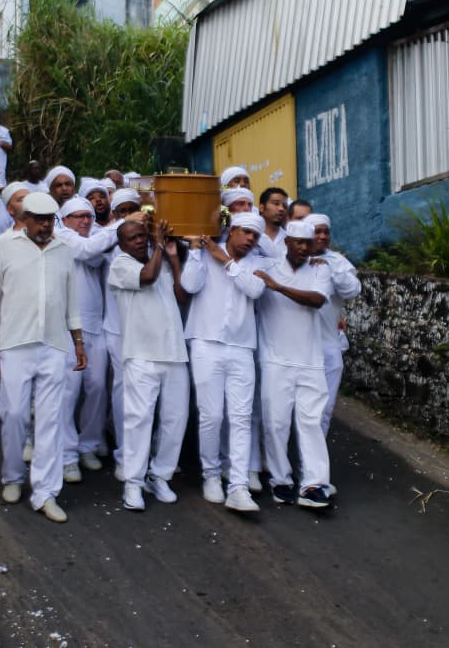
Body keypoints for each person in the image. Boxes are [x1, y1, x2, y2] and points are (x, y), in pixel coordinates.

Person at [0, 192, 86, 523]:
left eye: (50, 220)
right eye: (39, 220)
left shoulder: (64, 251)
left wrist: (78, 343)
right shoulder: (3, 246)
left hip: (53, 345)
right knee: (14, 414)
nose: (45, 226)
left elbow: (72, 302)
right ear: (25, 219)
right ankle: (12, 477)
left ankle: (45, 492)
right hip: (14, 343)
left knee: (51, 419)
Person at [181, 212, 267, 512]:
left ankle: (239, 486)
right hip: (205, 343)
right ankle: (211, 475)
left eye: (255, 235)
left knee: (241, 418)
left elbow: (255, 289)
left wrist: (226, 262)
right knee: (211, 416)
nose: (250, 239)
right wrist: (195, 251)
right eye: (245, 232)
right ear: (230, 230)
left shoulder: (257, 262)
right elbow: (190, 286)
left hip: (242, 348)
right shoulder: (204, 253)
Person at [253, 220, 335, 507]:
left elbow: (317, 300)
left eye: (307, 243)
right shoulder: (268, 268)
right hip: (275, 360)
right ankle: (281, 480)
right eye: (297, 242)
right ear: (286, 243)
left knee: (311, 423)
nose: (303, 247)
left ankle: (314, 485)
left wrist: (278, 287)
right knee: (276, 423)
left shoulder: (320, 268)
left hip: (310, 361)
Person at [109, 219, 189, 511]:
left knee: (175, 419)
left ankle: (160, 475)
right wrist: (159, 246)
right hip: (140, 355)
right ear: (121, 244)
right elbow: (148, 277)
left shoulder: (163, 260)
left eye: (142, 235)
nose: (140, 241)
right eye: (133, 238)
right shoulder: (120, 264)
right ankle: (133, 482)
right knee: (138, 419)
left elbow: (183, 295)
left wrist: (174, 258)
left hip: (174, 352)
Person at [57, 197, 111, 479]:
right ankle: (66, 454)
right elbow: (87, 251)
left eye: (88, 216)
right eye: (77, 216)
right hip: (67, 328)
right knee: (69, 391)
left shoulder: (98, 237)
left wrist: (107, 233)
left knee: (98, 387)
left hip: (96, 324)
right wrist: (121, 226)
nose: (84, 221)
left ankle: (88, 444)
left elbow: (96, 251)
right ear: (64, 220)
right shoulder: (63, 237)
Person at [305, 214, 362, 447]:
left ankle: (315, 472)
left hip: (329, 348)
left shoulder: (337, 261)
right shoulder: (293, 260)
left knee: (325, 411)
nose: (322, 236)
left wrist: (330, 267)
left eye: (325, 232)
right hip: (299, 350)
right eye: (316, 231)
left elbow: (351, 290)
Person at [101, 188, 143, 480]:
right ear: (114, 215)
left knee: (147, 392)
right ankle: (124, 454)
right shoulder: (105, 240)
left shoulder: (148, 240)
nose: (129, 216)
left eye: (133, 210)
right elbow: (89, 252)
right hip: (117, 328)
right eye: (122, 211)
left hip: (147, 330)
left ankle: (146, 451)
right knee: (124, 391)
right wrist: (118, 228)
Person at [258, 187, 289, 258]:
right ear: (261, 208)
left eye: (285, 206)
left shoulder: (290, 240)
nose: (281, 209)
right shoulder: (250, 234)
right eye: (276, 204)